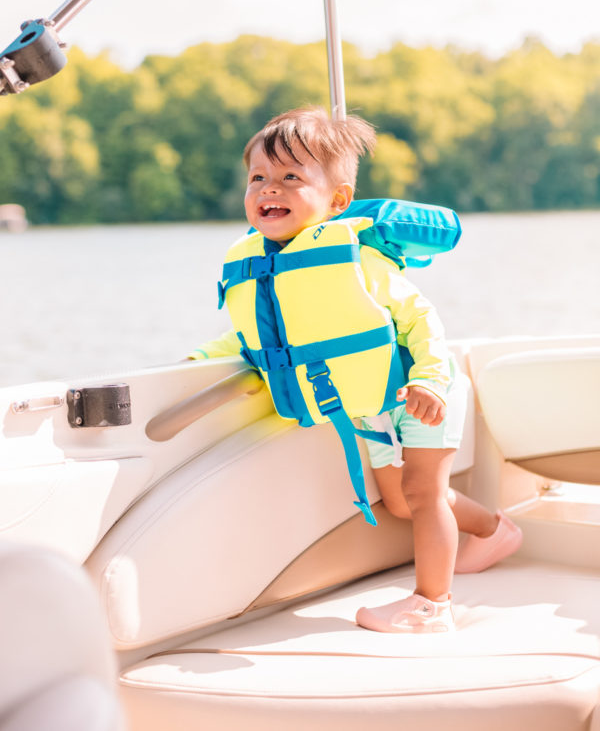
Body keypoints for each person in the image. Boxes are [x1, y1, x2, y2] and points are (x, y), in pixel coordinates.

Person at [187, 106, 522, 633]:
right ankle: (497, 531)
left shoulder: (357, 257)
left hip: (419, 391)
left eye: (290, 177)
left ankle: (433, 606)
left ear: (337, 200)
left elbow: (420, 318)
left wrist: (430, 378)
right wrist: (201, 361)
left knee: (422, 494)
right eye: (258, 178)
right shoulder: (259, 265)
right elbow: (254, 337)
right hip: (369, 407)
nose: (269, 189)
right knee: (399, 503)